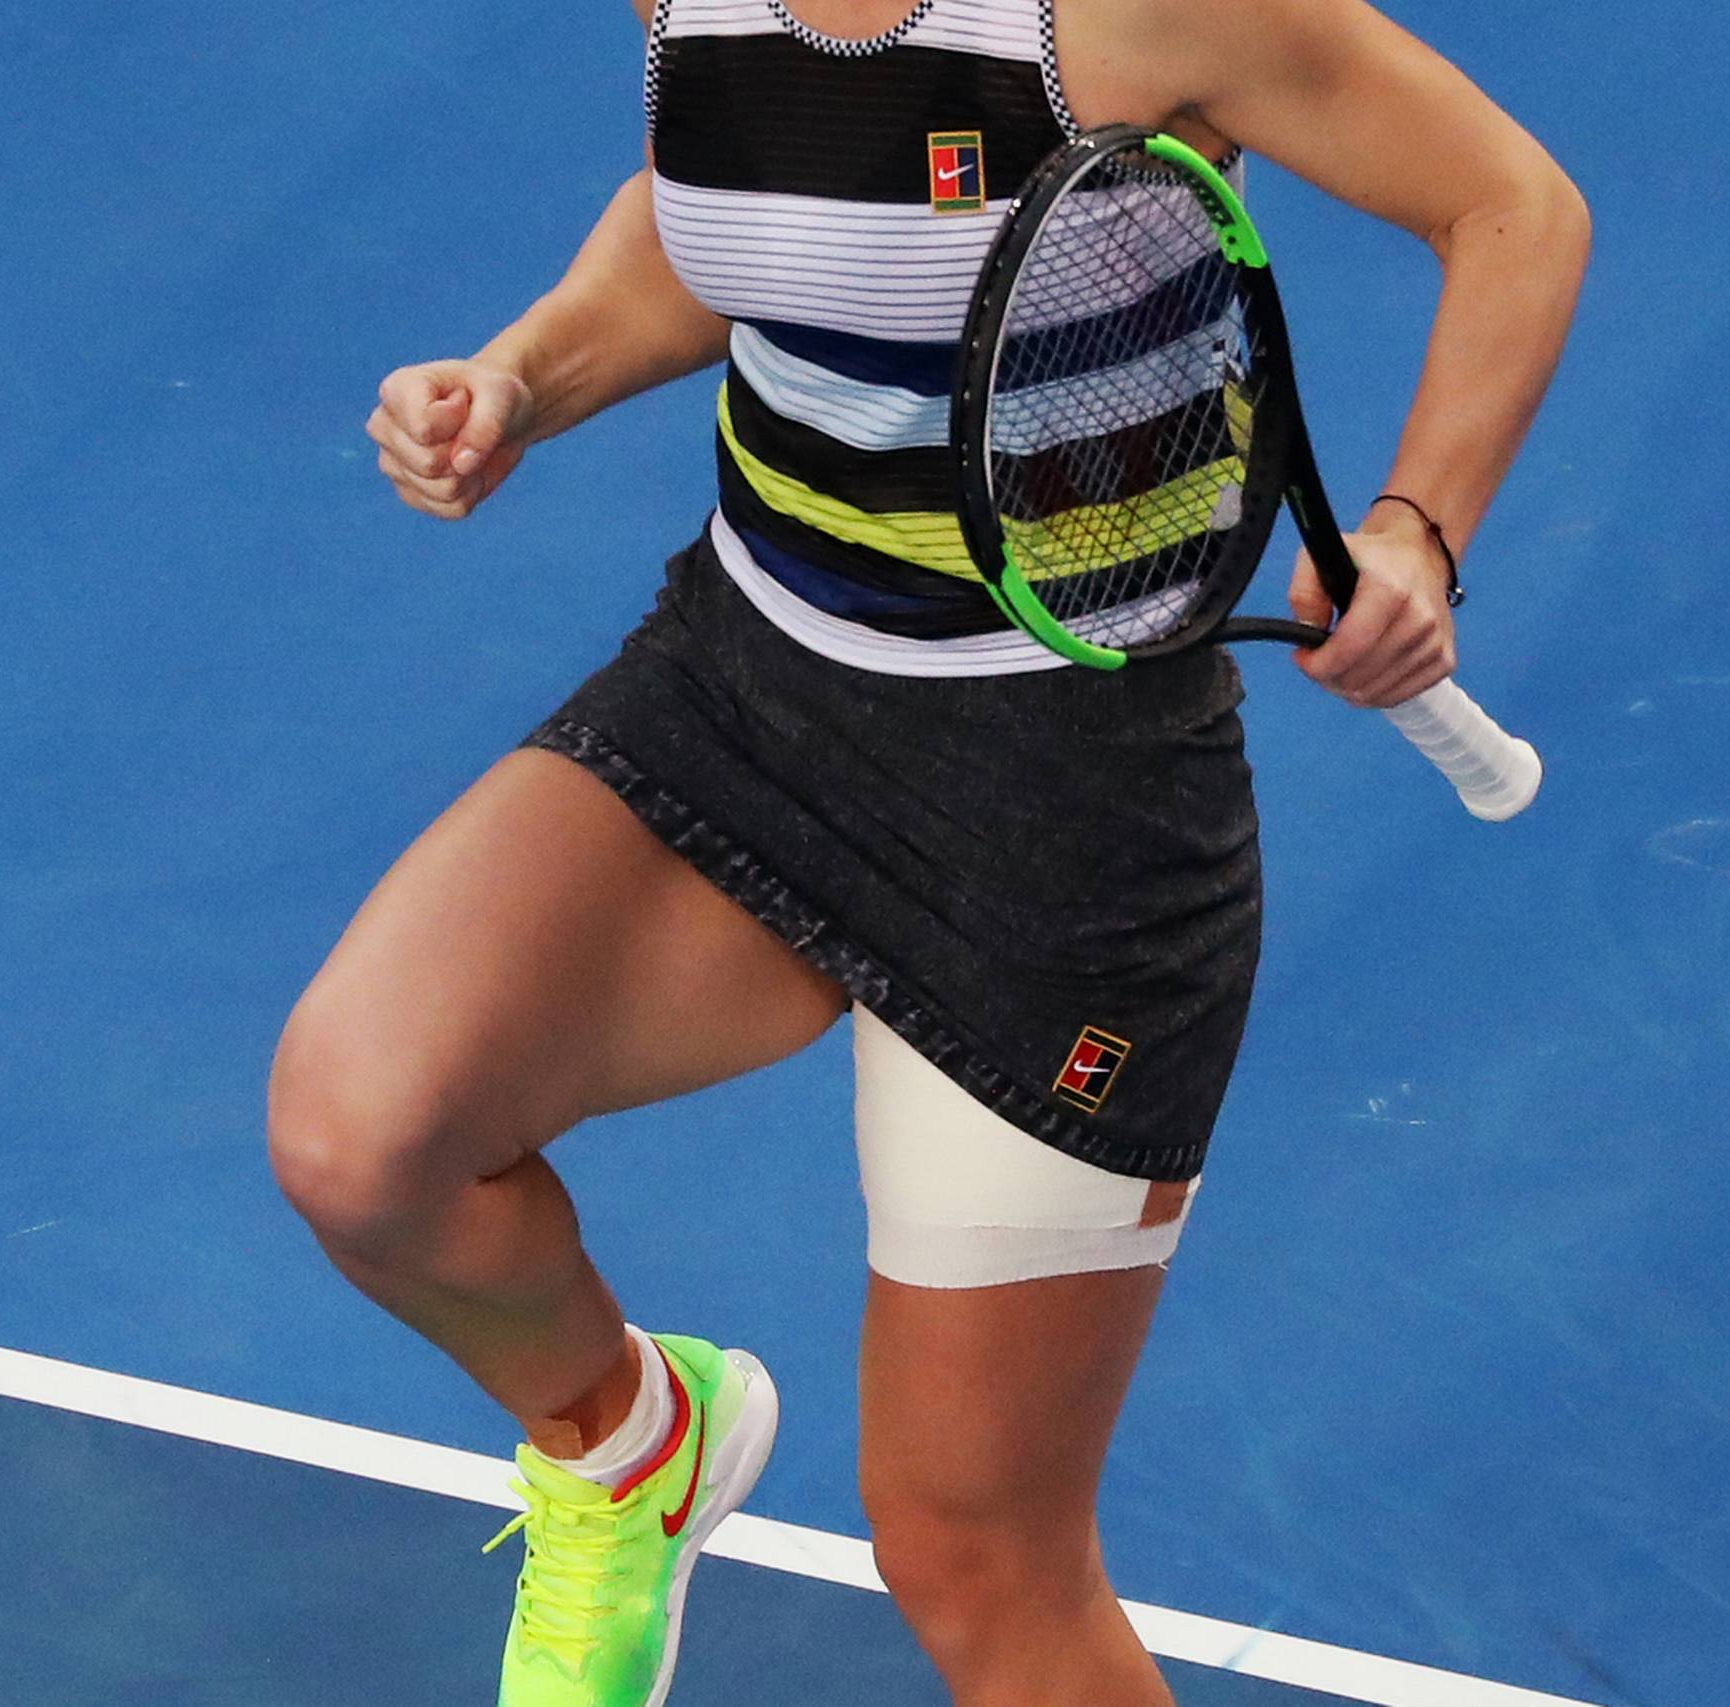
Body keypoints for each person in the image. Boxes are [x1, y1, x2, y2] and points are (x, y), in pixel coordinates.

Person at [266, 0, 1587, 1701]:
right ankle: (624, 1451)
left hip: (1070, 820)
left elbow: (1510, 206)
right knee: (364, 1136)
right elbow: (720, 215)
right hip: (748, 695)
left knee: (976, 1554)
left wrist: (1418, 527)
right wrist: (528, 372)